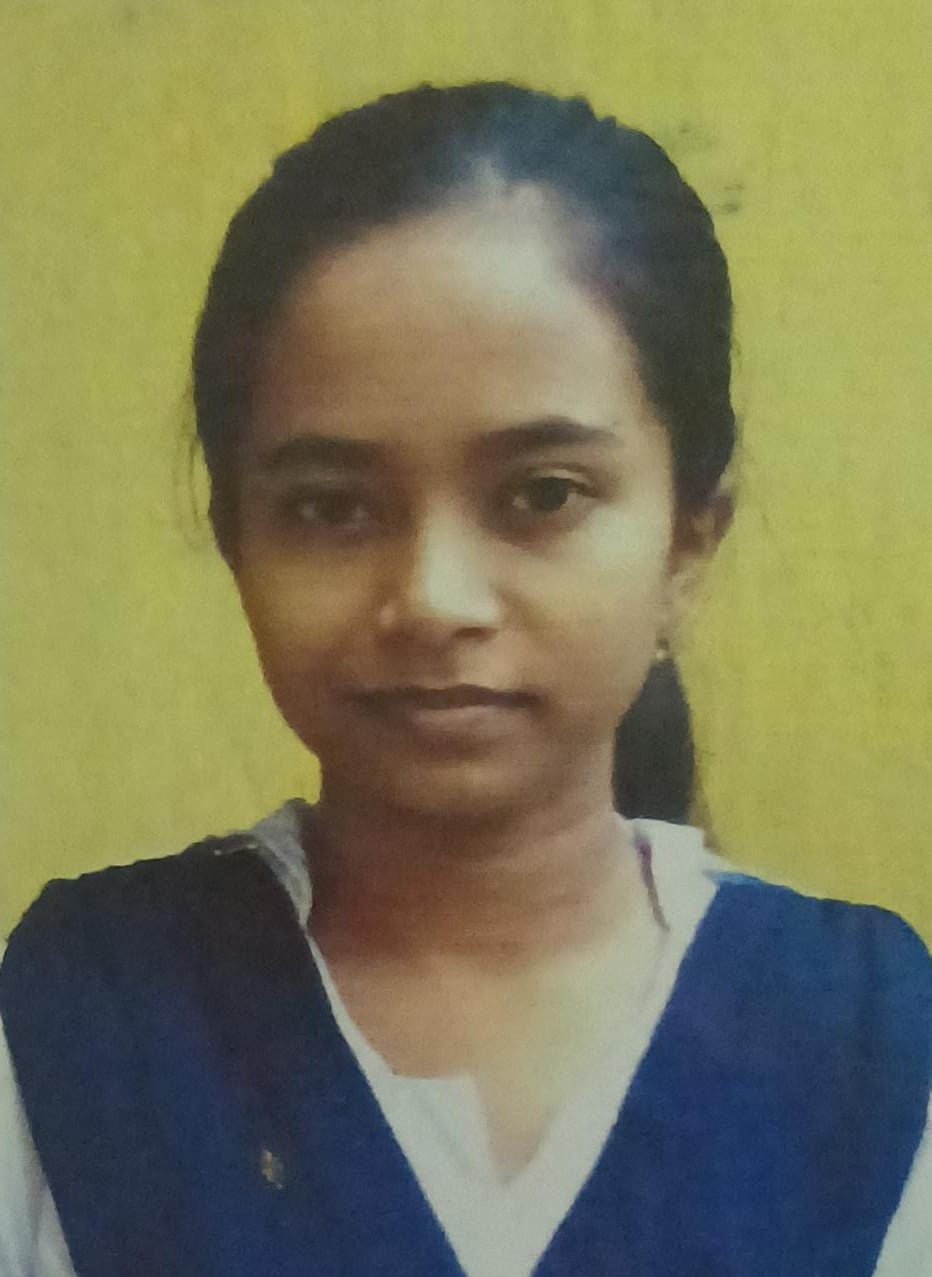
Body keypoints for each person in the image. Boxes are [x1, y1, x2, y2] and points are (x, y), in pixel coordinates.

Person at [1, 82, 929, 1277]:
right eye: (330, 507)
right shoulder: (86, 1027)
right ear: (236, 537)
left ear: (687, 537)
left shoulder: (865, 1046)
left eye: (541, 494)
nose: (433, 597)